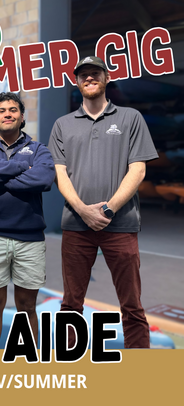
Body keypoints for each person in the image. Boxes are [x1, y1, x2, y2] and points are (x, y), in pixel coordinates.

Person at [48, 56, 158, 348]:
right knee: (71, 303)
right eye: (83, 74)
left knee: (131, 305)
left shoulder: (130, 118)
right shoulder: (62, 125)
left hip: (120, 224)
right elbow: (60, 173)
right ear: (76, 81)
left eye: (95, 73)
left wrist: (108, 209)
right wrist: (84, 211)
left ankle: (142, 376)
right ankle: (69, 366)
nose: (89, 78)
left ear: (106, 78)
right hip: (76, 225)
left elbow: (138, 169)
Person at [0, 92, 55, 349]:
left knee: (27, 306)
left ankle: (27, 361)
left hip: (29, 240)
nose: (8, 114)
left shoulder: (39, 149)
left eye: (13, 110)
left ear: (21, 117)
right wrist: (21, 167)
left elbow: (44, 180)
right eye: (2, 110)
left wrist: (0, 175)